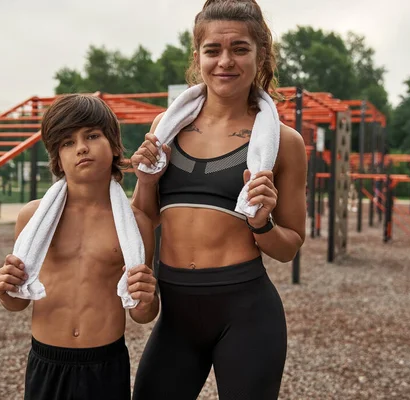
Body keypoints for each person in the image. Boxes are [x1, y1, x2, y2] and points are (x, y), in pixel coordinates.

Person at [130, 0, 307, 399]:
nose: (225, 61)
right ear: (198, 57)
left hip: (246, 311)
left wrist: (262, 222)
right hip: (175, 311)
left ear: (261, 54)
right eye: (213, 50)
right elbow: (145, 212)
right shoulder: (166, 127)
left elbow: (290, 246)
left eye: (240, 49)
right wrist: (145, 181)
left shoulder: (284, 143)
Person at [0, 94, 159, 400]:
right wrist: (5, 292)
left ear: (113, 145)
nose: (81, 147)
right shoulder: (32, 218)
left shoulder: (136, 224)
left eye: (92, 136)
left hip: (105, 364)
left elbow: (142, 313)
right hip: (47, 361)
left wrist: (149, 299)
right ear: (57, 157)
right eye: (68, 142)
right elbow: (18, 302)